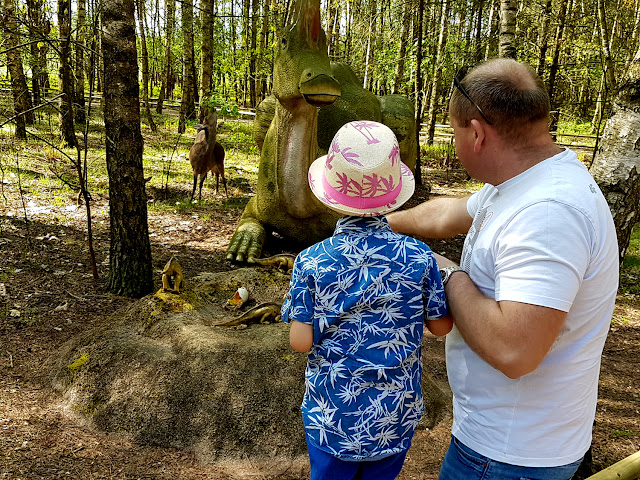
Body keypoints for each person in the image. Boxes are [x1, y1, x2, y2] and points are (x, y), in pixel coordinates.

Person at [387, 58, 619, 480]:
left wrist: (444, 273)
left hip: (509, 457)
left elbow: (515, 350)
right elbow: (450, 214)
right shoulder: (523, 182)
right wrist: (376, 226)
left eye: (455, 131)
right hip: (508, 443)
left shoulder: (549, 213)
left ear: (475, 132)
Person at [281, 120, 454, 480]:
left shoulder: (312, 260)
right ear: (394, 192)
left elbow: (301, 342)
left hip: (332, 414)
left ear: (328, 194)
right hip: (395, 414)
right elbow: (440, 327)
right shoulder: (420, 258)